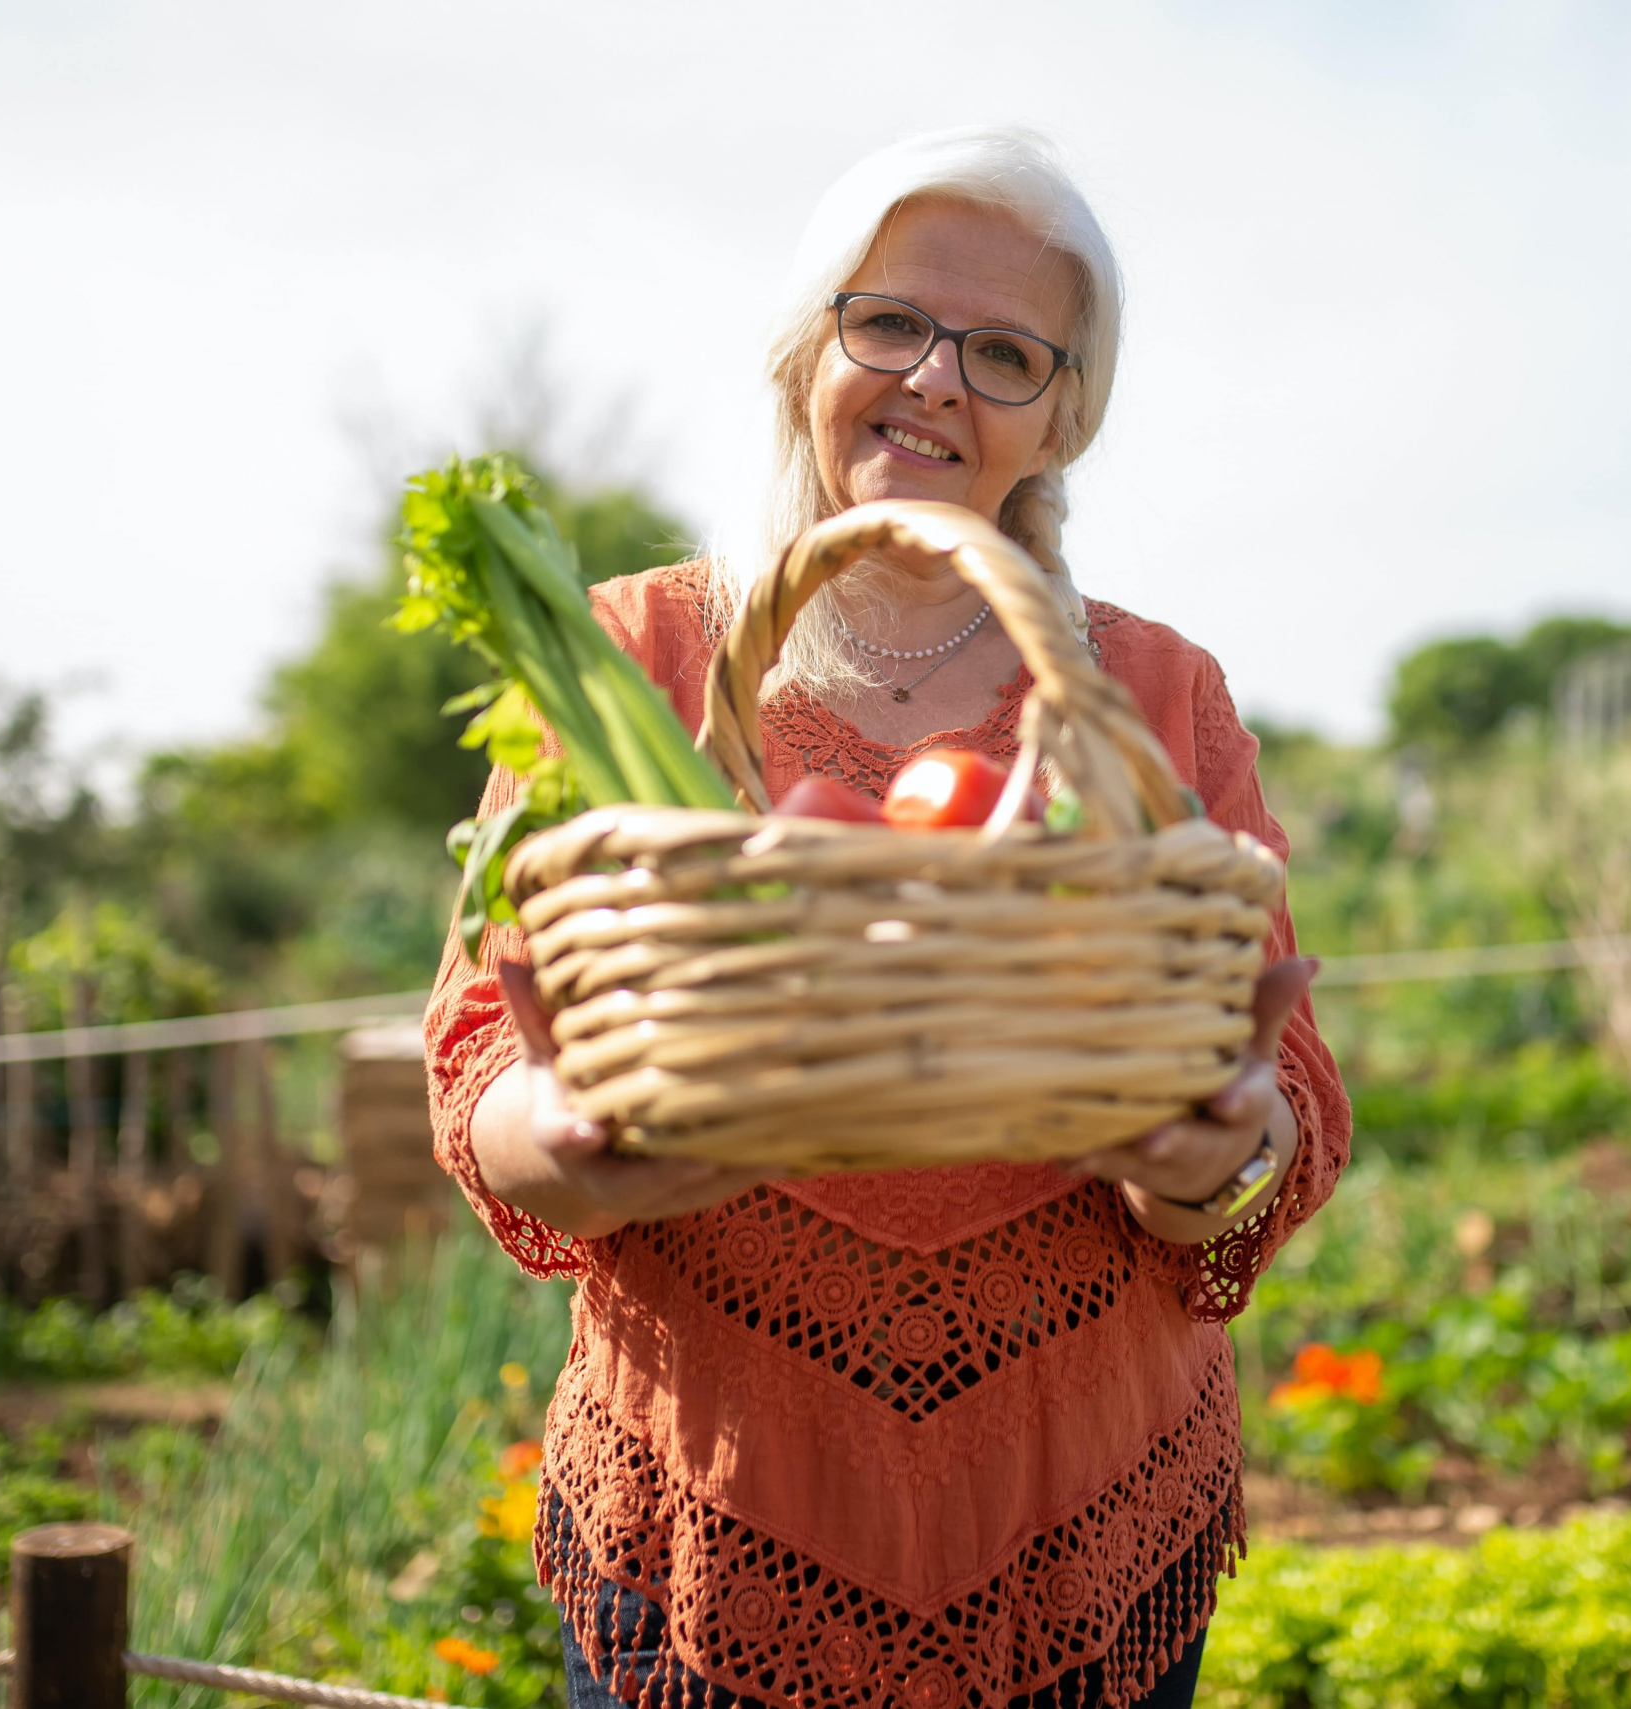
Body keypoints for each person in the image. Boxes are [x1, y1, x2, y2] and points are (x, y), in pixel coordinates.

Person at [425, 126, 1350, 1709]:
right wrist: (560, 1134)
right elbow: (474, 1050)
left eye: (1004, 351)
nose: (935, 378)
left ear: (1066, 411)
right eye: (892, 322)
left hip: (1081, 1517)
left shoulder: (1155, 693)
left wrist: (1210, 1166)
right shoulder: (622, 657)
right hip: (707, 1506)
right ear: (808, 346)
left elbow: (1289, 1106)